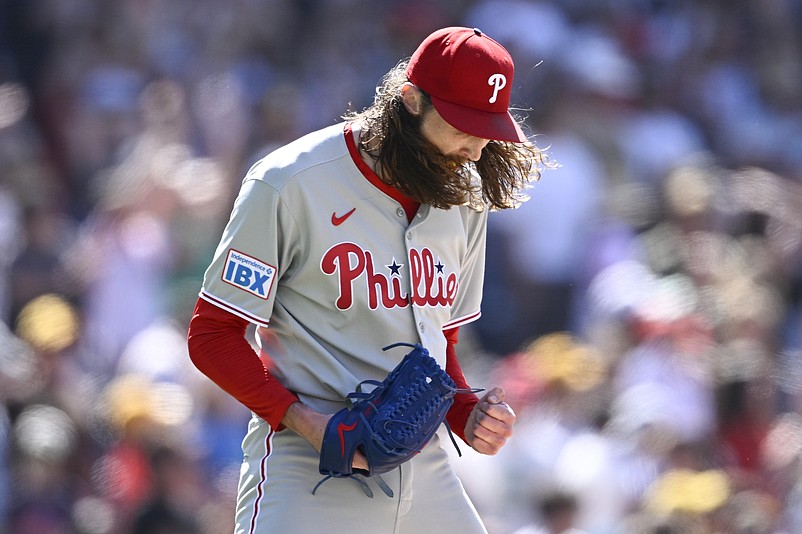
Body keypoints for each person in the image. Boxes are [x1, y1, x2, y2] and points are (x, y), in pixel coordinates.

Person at [187, 26, 547, 533]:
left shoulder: (466, 195)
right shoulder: (289, 181)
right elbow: (211, 336)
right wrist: (306, 422)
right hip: (308, 463)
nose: (475, 145)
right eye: (462, 123)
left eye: (487, 126)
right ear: (411, 100)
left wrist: (466, 411)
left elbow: (439, 342)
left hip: (423, 468)